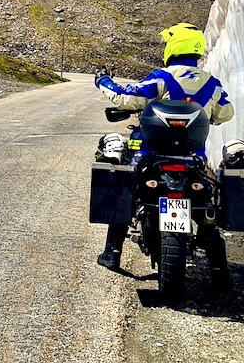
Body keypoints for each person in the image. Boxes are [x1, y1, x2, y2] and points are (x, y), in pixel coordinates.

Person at [92, 23, 235, 279]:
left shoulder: (163, 77)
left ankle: (112, 252)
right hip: (193, 159)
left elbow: (128, 97)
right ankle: (218, 269)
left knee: (128, 188)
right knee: (204, 207)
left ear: (174, 46)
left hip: (151, 156)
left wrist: (103, 82)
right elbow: (226, 113)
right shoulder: (212, 84)